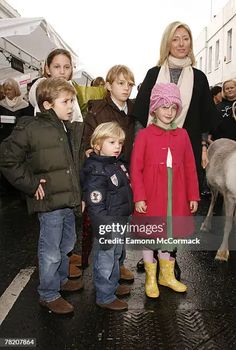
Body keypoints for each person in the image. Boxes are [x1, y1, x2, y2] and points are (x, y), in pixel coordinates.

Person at [132, 21, 217, 272]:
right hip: (153, 149)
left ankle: (170, 258)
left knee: (178, 206)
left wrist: (203, 147)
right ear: (167, 43)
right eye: (175, 39)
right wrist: (139, 145)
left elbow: (204, 117)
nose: (181, 44)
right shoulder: (152, 73)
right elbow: (140, 115)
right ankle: (151, 255)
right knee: (154, 205)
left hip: (185, 147)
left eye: (185, 38)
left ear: (191, 43)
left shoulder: (199, 78)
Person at [0, 78, 84, 315]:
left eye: (72, 100)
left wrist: (81, 194)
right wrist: (30, 184)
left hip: (68, 201)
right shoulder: (30, 127)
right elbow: (7, 158)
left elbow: (73, 165)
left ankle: (61, 280)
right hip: (49, 203)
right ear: (47, 105)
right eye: (66, 101)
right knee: (50, 250)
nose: (71, 105)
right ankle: (48, 294)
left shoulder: (69, 127)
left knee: (66, 244)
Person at [130, 83, 200, 298]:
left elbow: (190, 166)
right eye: (164, 107)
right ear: (154, 109)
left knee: (170, 236)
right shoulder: (144, 135)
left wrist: (193, 195)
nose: (169, 112)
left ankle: (166, 276)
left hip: (177, 196)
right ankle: (151, 278)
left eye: (173, 107)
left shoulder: (183, 135)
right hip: (152, 196)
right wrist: (139, 196)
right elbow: (136, 167)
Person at [29, 48, 83, 278]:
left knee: (66, 233)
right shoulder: (43, 97)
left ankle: (62, 269)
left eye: (67, 66)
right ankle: (50, 287)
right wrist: (30, 182)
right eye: (57, 66)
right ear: (47, 69)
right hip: (51, 180)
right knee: (51, 236)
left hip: (68, 179)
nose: (62, 71)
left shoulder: (72, 97)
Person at [83, 64, 135, 281]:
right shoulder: (97, 111)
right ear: (108, 85)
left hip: (124, 173)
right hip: (103, 178)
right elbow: (88, 147)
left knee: (121, 222)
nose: (126, 88)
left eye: (130, 84)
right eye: (121, 83)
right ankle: (105, 277)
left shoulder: (134, 111)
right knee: (104, 228)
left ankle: (118, 266)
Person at [81, 122, 133, 310]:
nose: (117, 146)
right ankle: (105, 296)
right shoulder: (97, 171)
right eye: (112, 142)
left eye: (120, 142)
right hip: (107, 224)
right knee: (105, 259)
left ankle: (112, 285)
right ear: (97, 145)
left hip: (119, 220)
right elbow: (95, 205)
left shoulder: (115, 164)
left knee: (117, 254)